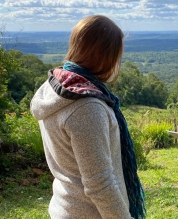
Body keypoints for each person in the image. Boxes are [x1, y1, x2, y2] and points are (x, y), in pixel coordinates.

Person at [30, 15, 145, 219]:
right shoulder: (87, 106)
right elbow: (100, 183)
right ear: (104, 55)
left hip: (65, 207)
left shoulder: (55, 87)